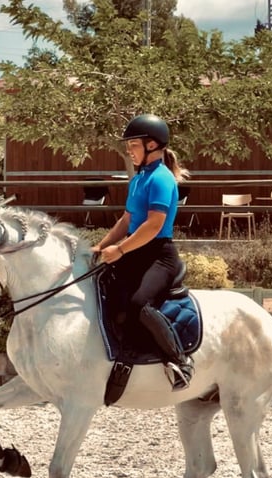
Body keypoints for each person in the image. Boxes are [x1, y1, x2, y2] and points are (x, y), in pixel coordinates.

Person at [92, 114, 194, 391]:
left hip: (159, 256)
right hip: (135, 253)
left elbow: (153, 225)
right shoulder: (139, 179)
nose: (129, 151)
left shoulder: (161, 179)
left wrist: (120, 249)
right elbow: (126, 219)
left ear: (152, 145)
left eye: (134, 145)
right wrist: (101, 246)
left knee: (138, 303)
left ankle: (179, 360)